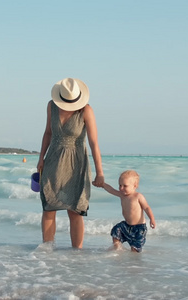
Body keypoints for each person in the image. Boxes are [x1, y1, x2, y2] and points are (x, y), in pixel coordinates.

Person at [36, 77, 104, 249]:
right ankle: (47, 251)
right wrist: (41, 158)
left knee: (75, 211)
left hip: (77, 163)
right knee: (48, 207)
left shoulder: (86, 110)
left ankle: (77, 254)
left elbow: (94, 143)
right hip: (53, 160)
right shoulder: (51, 106)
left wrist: (100, 172)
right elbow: (48, 133)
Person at [101, 170, 156, 253]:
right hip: (126, 225)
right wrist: (102, 184)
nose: (121, 188)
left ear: (135, 186)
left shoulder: (138, 196)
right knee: (116, 230)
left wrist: (152, 219)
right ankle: (117, 248)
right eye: (120, 185)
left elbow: (147, 207)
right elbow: (111, 190)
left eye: (125, 186)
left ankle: (133, 261)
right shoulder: (122, 195)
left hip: (139, 228)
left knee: (135, 248)